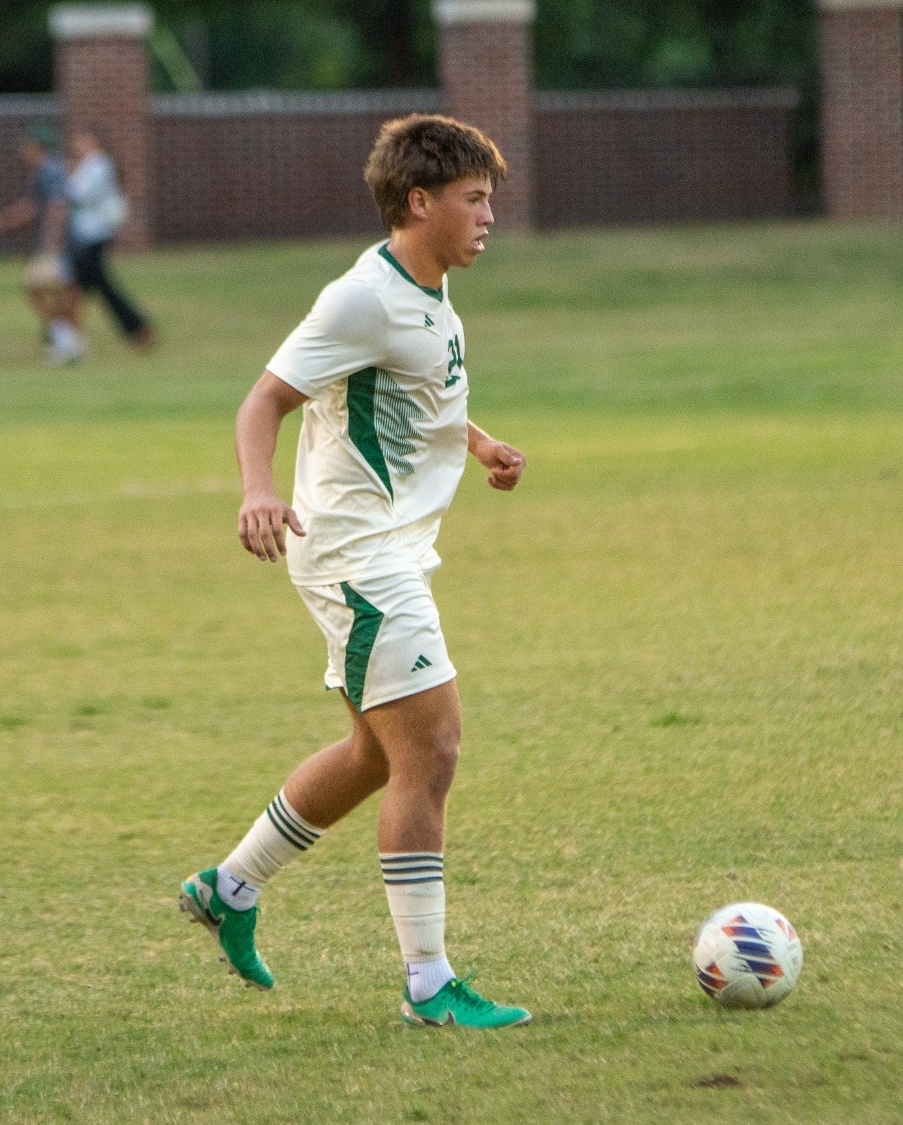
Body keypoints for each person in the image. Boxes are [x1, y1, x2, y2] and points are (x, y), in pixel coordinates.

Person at [179, 115, 531, 1029]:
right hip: (355, 555)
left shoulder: (433, 288)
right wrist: (257, 490)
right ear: (420, 202)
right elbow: (263, 401)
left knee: (378, 754)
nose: (490, 214)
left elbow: (418, 393)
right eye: (475, 198)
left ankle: (231, 886)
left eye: (490, 197)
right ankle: (428, 986)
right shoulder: (360, 297)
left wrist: (480, 441)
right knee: (434, 747)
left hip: (388, 548)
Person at [0, 123, 85, 364]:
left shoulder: (51, 168)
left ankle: (68, 340)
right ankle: (68, 340)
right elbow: (32, 206)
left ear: (38, 147)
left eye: (28, 144)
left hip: (61, 241)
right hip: (59, 240)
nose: (23, 149)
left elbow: (58, 206)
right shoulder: (45, 169)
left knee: (40, 288)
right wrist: (2, 221)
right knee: (60, 288)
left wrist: (52, 241)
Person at [62, 128, 155, 352]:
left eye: (82, 140)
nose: (78, 145)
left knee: (88, 284)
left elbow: (78, 194)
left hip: (93, 235)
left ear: (94, 141)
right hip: (86, 234)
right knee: (86, 284)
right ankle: (134, 328)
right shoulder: (90, 164)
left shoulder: (98, 164)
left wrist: (69, 175)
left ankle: (135, 327)